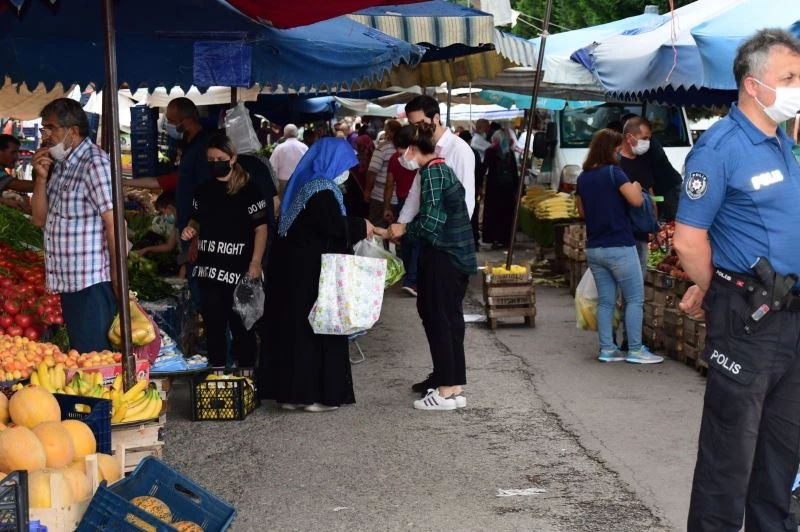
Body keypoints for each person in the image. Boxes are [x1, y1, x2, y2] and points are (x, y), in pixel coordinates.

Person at [673, 29, 800, 531]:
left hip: (791, 322)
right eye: (788, 77)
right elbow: (688, 240)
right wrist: (717, 286)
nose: (798, 87)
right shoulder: (719, 148)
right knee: (730, 457)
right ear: (753, 84)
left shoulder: (781, 143)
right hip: (749, 320)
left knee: (781, 456)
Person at [259, 138, 375, 412]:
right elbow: (333, 227)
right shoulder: (322, 190)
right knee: (316, 329)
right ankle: (314, 396)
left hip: (290, 271)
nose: (346, 171)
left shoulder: (302, 185)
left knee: (293, 330)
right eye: (345, 165)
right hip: (310, 274)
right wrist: (362, 225)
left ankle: (291, 394)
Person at [384, 124, 477, 410]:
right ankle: (454, 387)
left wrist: (402, 230)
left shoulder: (434, 172)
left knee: (440, 320)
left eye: (401, 151)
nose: (401, 157)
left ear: (412, 149)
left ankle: (446, 389)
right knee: (445, 319)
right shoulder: (435, 169)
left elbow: (431, 223)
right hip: (449, 256)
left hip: (445, 256)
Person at [30, 98, 119, 353]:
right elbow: (39, 220)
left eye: (50, 128)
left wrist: (117, 278)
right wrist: (40, 178)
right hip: (69, 283)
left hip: (91, 285)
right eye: (42, 129)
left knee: (95, 360)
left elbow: (114, 224)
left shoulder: (95, 164)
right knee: (84, 356)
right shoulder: (61, 165)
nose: (45, 136)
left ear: (73, 131)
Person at [574, 128, 663, 365]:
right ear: (610, 150)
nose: (619, 154)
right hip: (620, 246)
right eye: (616, 149)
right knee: (635, 299)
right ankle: (635, 350)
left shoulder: (583, 177)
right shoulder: (615, 173)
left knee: (606, 301)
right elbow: (635, 200)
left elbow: (581, 211)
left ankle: (607, 349)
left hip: (595, 248)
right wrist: (634, 186)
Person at [180, 134, 268, 369]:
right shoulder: (203, 191)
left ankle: (246, 378)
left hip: (239, 273)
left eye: (220, 158)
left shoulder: (249, 191)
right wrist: (191, 230)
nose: (215, 163)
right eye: (210, 159)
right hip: (210, 273)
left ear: (232, 158)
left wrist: (256, 262)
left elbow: (261, 228)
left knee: (242, 328)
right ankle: (218, 374)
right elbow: (196, 220)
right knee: (214, 328)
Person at [619, 116, 656, 278]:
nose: (647, 142)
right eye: (644, 138)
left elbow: (650, 192)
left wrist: (654, 220)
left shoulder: (643, 162)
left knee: (638, 280)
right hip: (621, 234)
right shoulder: (615, 164)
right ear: (629, 138)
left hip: (640, 233)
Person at [384, 143, 420, 296]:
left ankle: (408, 278)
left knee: (406, 242)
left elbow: (390, 183)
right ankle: (411, 280)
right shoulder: (418, 159)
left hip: (403, 202)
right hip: (413, 203)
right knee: (415, 242)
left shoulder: (395, 158)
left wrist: (387, 206)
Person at [481, 129, 519, 249]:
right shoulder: (510, 153)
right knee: (506, 214)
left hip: (494, 188)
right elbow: (514, 173)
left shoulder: (490, 151)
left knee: (494, 214)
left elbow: (483, 168)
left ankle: (494, 239)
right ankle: (506, 239)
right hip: (508, 189)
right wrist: (517, 189)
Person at [365, 120, 401, 228]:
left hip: (380, 198)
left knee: (376, 231)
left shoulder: (382, 148)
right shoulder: (406, 148)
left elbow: (372, 171)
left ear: (389, 131)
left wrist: (367, 191)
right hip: (400, 199)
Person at [458, 130, 483, 251]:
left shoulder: (458, 152)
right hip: (474, 189)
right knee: (474, 214)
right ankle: (475, 241)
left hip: (461, 190)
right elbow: (480, 172)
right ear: (469, 140)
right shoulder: (475, 153)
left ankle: (468, 241)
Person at [133, 191, 178, 258]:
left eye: (162, 212)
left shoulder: (189, 221)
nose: (163, 216)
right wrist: (147, 249)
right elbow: (169, 246)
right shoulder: (176, 224)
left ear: (169, 208)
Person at [269, 124, 307, 199]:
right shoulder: (304, 147)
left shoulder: (279, 148)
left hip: (283, 184)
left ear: (284, 134)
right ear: (297, 134)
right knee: (299, 206)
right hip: (300, 182)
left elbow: (272, 168)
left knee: (284, 206)